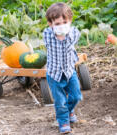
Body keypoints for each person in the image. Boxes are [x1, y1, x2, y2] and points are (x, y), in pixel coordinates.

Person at [43, 2, 83, 134]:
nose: (61, 26)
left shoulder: (73, 33)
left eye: (64, 22)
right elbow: (51, 35)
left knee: (76, 96)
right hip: (54, 75)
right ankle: (63, 121)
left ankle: (69, 110)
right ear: (50, 24)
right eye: (57, 24)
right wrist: (58, 32)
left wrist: (65, 32)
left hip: (69, 71)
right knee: (60, 101)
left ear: (70, 21)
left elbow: (72, 39)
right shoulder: (48, 34)